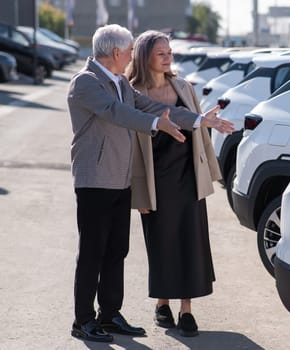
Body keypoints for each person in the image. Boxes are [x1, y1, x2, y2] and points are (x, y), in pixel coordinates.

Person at [67, 24, 233, 343]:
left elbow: (152, 107)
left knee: (117, 251)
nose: (132, 56)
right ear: (116, 53)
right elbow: (119, 113)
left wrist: (198, 120)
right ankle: (83, 319)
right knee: (92, 252)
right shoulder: (86, 82)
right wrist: (159, 125)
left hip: (121, 179)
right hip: (96, 179)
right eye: (130, 50)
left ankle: (109, 314)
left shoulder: (118, 82)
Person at [126, 30, 221, 337]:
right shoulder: (132, 92)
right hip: (156, 182)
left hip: (187, 177)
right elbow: (129, 147)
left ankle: (187, 310)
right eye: (161, 53)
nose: (169, 57)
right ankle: (162, 303)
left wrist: (211, 173)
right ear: (144, 57)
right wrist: (136, 193)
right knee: (162, 245)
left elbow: (199, 129)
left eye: (170, 52)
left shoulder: (183, 86)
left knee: (191, 243)